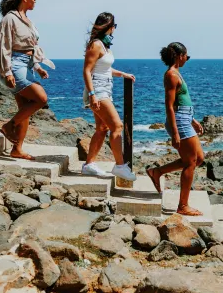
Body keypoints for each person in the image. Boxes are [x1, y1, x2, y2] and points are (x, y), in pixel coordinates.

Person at [0, 0, 54, 161]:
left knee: (25, 109)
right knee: (41, 98)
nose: (36, 1)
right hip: (14, 64)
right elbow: (3, 45)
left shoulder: (28, 20)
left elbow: (32, 47)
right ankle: (9, 126)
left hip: (27, 64)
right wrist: (7, 72)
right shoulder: (9, 18)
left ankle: (17, 149)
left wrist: (37, 67)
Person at [146, 42, 205, 216]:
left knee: (198, 158)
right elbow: (169, 106)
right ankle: (183, 206)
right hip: (179, 121)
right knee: (191, 162)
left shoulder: (176, 73)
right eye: (187, 56)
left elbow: (181, 102)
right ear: (180, 56)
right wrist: (175, 132)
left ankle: (157, 172)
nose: (187, 59)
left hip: (185, 118)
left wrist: (192, 119)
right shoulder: (171, 75)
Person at [81, 12, 137, 181]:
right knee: (117, 126)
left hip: (105, 88)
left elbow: (104, 69)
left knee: (102, 128)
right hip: (97, 89)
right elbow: (87, 70)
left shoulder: (105, 45)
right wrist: (92, 95)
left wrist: (122, 74)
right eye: (114, 26)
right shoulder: (96, 45)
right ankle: (119, 166)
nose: (114, 30)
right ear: (108, 26)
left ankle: (89, 164)